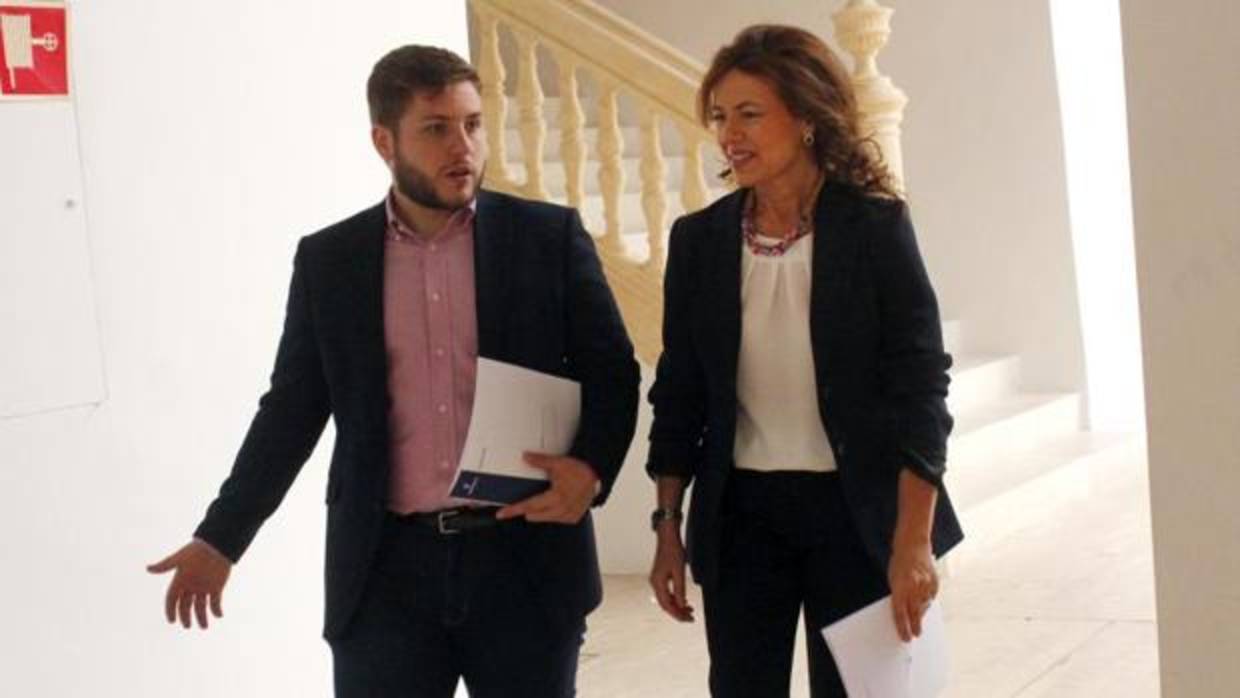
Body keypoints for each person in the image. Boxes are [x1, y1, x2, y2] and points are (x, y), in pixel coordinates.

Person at [146, 45, 640, 697]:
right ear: (385, 141)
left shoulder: (546, 238)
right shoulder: (332, 261)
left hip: (523, 562)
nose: (461, 146)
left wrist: (592, 467)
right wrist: (221, 537)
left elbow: (614, 372)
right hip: (385, 576)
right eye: (435, 129)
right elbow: (291, 411)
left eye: (471, 123)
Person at [645, 24, 963, 697]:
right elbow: (679, 394)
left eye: (751, 114)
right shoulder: (699, 242)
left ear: (808, 117)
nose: (731, 134)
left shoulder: (874, 229)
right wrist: (667, 527)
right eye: (721, 117)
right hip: (742, 519)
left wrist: (914, 541)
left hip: (856, 515)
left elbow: (920, 389)